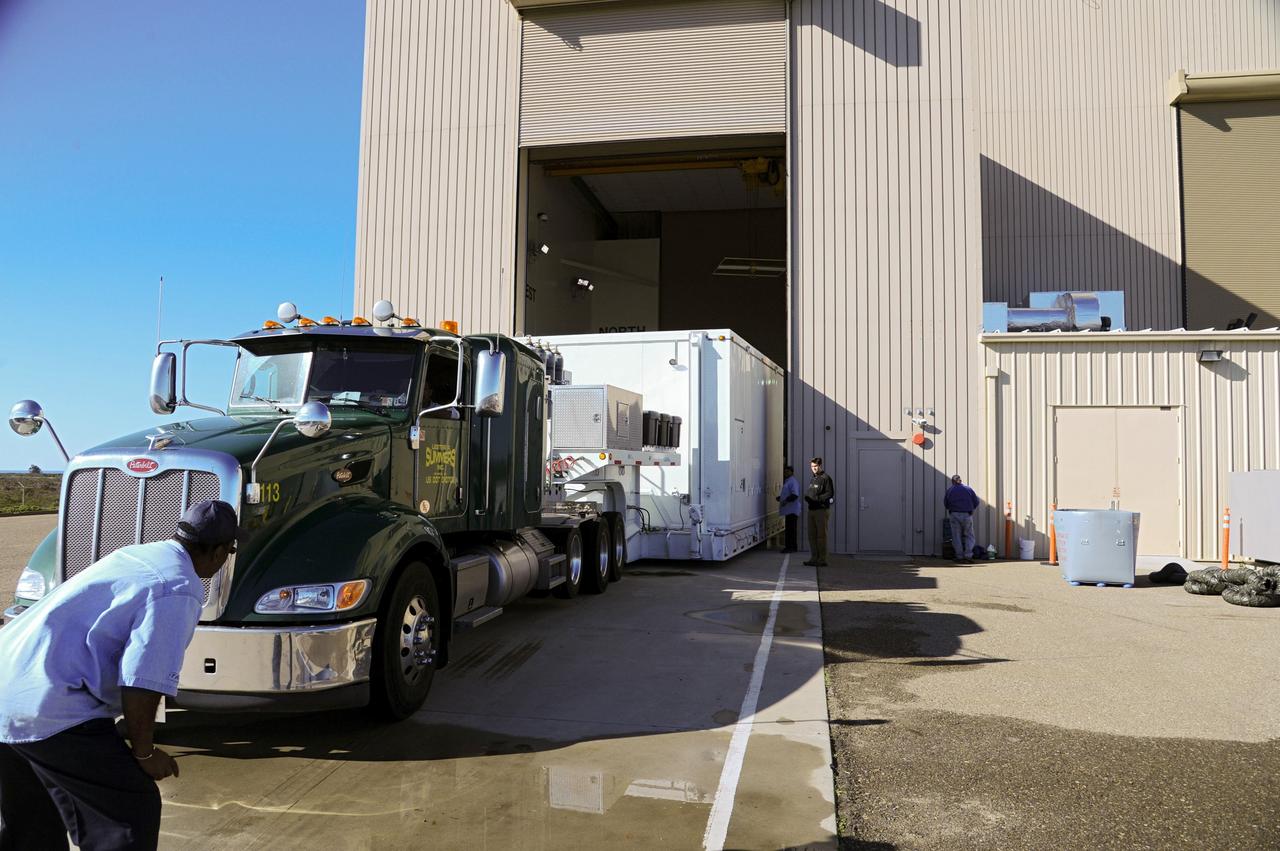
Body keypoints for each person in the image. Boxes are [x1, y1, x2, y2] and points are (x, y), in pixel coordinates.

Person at [0, 500, 239, 851]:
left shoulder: (138, 554)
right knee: (129, 811)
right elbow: (142, 680)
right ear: (219, 552)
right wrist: (145, 754)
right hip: (50, 707)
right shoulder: (177, 587)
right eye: (230, 551)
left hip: (8, 683)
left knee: (31, 820)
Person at [804, 457, 835, 567]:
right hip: (811, 510)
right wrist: (808, 497)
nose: (814, 468)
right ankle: (814, 558)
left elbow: (830, 493)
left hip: (821, 511)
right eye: (812, 466)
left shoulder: (825, 478)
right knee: (812, 536)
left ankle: (822, 559)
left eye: (816, 466)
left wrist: (817, 498)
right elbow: (812, 493)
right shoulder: (814, 479)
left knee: (821, 536)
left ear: (820, 466)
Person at [944, 474, 980, 564]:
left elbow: (946, 504)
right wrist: (971, 508)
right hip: (967, 514)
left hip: (954, 514)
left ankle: (959, 556)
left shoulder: (950, 490)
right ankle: (968, 556)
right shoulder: (968, 489)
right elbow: (976, 501)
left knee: (956, 536)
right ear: (960, 481)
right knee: (969, 535)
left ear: (953, 482)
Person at [776, 464, 801, 553]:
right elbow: (788, 493)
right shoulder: (788, 481)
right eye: (785, 471)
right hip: (789, 510)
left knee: (791, 530)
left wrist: (785, 501)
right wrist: (780, 498)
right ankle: (792, 547)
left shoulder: (792, 482)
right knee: (790, 529)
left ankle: (790, 547)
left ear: (791, 472)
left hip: (792, 510)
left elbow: (795, 495)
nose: (786, 473)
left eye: (787, 471)